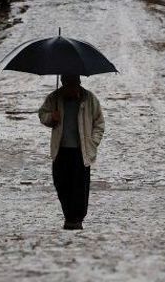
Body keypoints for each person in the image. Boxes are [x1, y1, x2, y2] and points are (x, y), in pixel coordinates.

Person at [37, 73, 104, 230]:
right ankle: (69, 215)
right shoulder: (54, 98)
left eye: (73, 86)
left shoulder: (89, 99)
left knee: (80, 186)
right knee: (61, 184)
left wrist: (92, 142)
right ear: (63, 83)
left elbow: (99, 123)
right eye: (67, 86)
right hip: (61, 150)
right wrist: (51, 117)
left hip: (81, 151)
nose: (70, 90)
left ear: (78, 83)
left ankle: (77, 218)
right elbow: (42, 114)